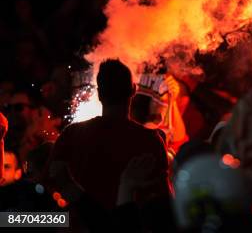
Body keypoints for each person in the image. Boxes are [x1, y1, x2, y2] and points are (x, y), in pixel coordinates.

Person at [48, 59, 170, 209]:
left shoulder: (71, 135)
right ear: (133, 90)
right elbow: (165, 202)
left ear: (99, 94)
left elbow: (53, 178)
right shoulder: (150, 140)